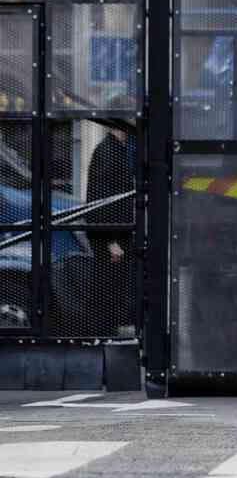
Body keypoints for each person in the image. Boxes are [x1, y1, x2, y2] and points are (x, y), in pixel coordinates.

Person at [85, 123, 138, 337]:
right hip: (110, 236)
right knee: (107, 291)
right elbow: (101, 200)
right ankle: (103, 336)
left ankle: (109, 333)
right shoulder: (108, 152)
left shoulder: (116, 150)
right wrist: (110, 241)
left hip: (117, 232)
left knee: (114, 289)